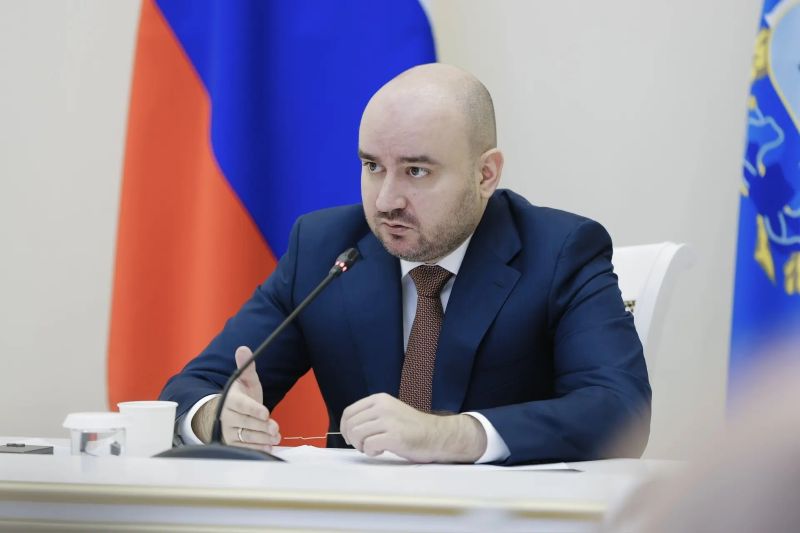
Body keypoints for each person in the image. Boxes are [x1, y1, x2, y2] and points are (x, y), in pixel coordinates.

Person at [160, 63, 651, 465]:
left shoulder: (561, 250)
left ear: (485, 174)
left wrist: (450, 435)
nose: (386, 200)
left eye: (416, 171)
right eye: (372, 166)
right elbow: (190, 388)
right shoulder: (325, 248)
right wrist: (215, 415)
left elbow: (618, 409)